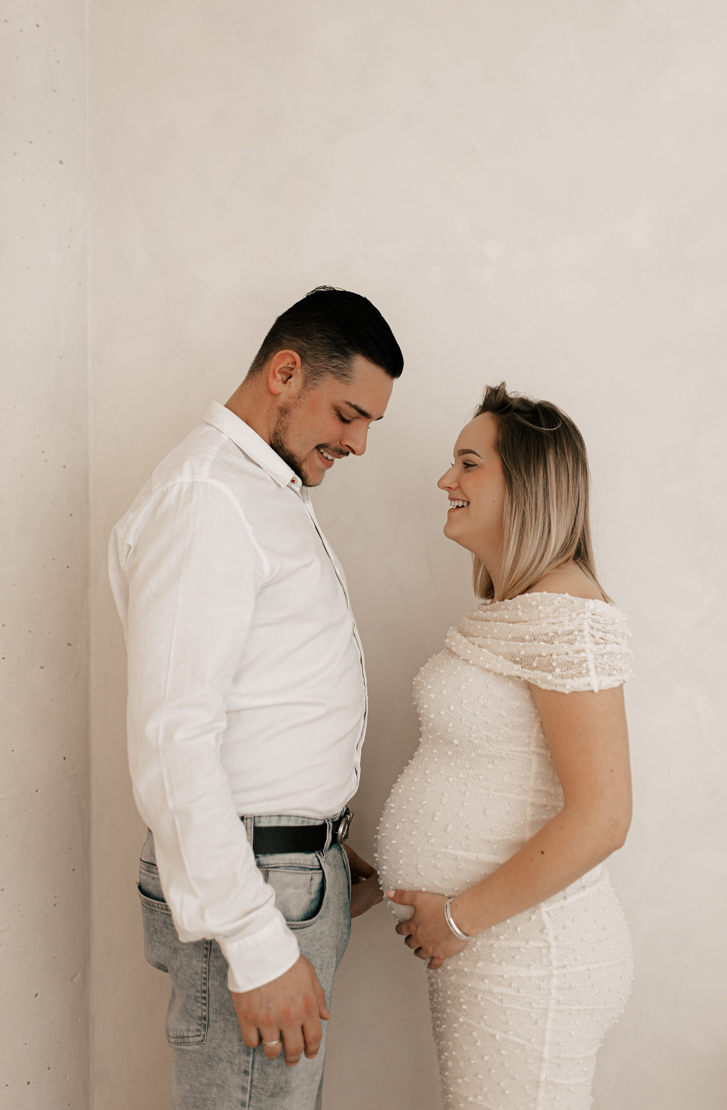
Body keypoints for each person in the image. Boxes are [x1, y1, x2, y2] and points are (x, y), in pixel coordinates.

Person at [109, 287, 397, 1110]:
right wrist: (257, 944)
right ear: (285, 372)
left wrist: (321, 836)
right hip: (255, 887)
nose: (359, 443)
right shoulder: (210, 498)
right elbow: (173, 739)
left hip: (286, 871)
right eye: (349, 414)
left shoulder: (260, 490)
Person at [376, 383, 634, 1110]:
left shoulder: (569, 621)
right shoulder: (522, 612)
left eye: (468, 463)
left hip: (529, 957)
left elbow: (604, 816)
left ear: (527, 484)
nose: (445, 480)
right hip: (494, 952)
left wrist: (458, 918)